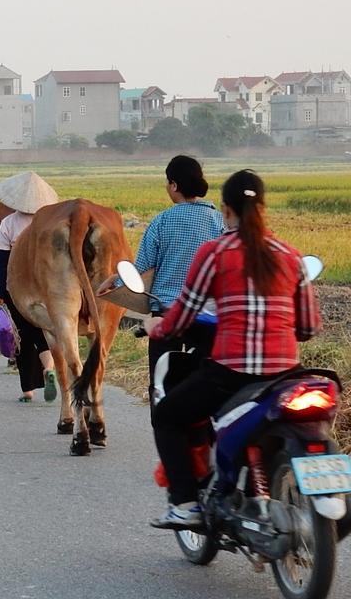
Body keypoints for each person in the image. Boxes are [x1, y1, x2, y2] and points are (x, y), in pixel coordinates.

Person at [145, 170, 320, 529]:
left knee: (167, 416)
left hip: (230, 374)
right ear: (263, 208)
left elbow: (181, 316)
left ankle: (185, 504)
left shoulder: (215, 253)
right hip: (285, 376)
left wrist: (155, 326)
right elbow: (308, 328)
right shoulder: (289, 255)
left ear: (226, 210)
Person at [99, 155, 226, 404]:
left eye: (168, 183)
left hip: (167, 316)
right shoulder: (218, 220)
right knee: (209, 385)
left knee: (161, 388)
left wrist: (114, 280)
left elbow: (141, 269)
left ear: (174, 186)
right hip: (209, 318)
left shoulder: (162, 221)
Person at [0, 171, 59, 403]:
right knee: (44, 332)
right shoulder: (50, 224)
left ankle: (28, 390)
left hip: (17, 288)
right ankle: (49, 369)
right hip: (46, 287)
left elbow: (0, 261)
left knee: (22, 336)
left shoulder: (8, 224)